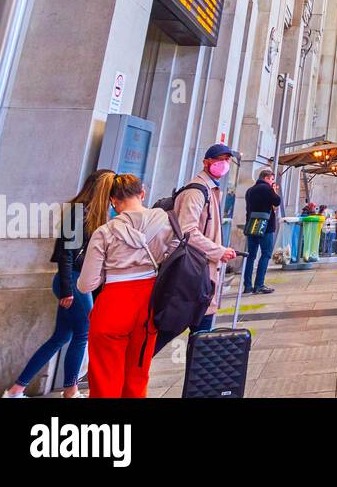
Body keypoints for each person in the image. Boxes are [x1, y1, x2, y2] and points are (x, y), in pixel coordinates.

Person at [3, 170, 115, 398]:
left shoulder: (91, 213)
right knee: (83, 334)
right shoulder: (77, 212)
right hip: (72, 282)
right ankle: (70, 391)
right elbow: (66, 254)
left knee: (60, 337)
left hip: (75, 281)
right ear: (102, 189)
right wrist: (66, 289)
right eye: (111, 190)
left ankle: (16, 390)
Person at [76, 173, 179, 398]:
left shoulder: (104, 232)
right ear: (142, 194)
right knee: (137, 375)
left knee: (105, 379)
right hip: (148, 304)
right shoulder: (167, 225)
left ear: (113, 200)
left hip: (113, 303)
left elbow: (86, 285)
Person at [152, 144, 237, 356]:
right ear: (206, 161)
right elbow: (187, 231)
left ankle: (197, 382)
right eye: (220, 159)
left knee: (200, 336)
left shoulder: (211, 189)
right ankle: (131, 370)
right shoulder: (196, 191)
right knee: (170, 328)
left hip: (202, 274)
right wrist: (218, 251)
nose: (224, 164)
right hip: (191, 274)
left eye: (227, 159)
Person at [242, 169, 280, 294]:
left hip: (251, 226)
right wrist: (274, 191)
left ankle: (247, 285)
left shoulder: (250, 190)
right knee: (265, 254)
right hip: (266, 227)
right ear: (267, 178)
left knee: (250, 256)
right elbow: (277, 201)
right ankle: (259, 284)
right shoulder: (267, 189)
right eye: (272, 179)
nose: (272, 182)